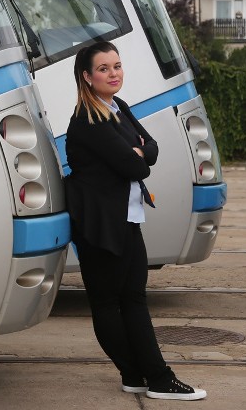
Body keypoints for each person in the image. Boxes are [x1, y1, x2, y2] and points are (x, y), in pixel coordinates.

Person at [65, 41, 207, 401]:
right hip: (99, 222)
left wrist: (139, 151)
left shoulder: (118, 107)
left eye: (117, 66)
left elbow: (152, 150)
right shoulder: (88, 121)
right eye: (104, 68)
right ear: (87, 76)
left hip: (126, 217)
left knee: (132, 298)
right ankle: (153, 376)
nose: (114, 74)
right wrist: (138, 153)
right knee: (109, 302)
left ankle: (140, 375)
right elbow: (137, 165)